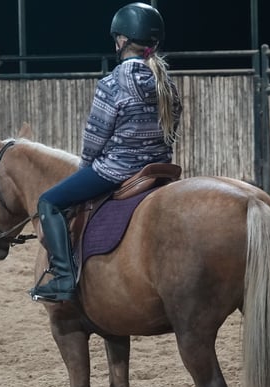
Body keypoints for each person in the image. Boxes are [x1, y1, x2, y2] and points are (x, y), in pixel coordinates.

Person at [30, 2, 182, 303]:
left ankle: (63, 278)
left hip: (117, 171)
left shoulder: (112, 84)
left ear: (122, 40)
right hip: (159, 169)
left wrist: (86, 167)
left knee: (48, 201)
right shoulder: (166, 84)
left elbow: (95, 137)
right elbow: (171, 130)